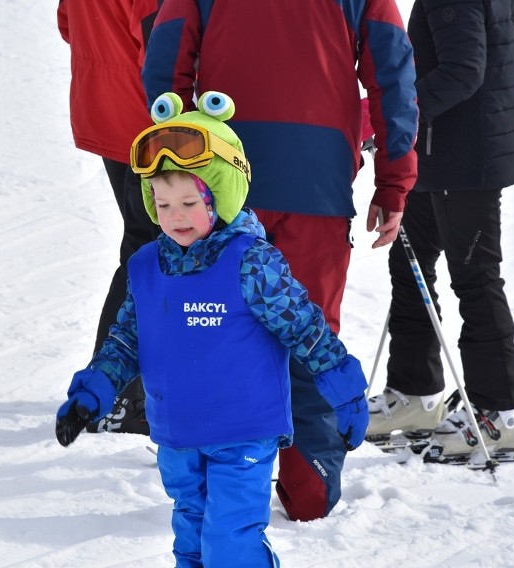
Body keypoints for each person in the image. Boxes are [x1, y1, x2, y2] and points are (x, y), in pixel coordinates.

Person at [55, 91, 369, 567]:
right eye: (161, 204)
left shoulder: (250, 263)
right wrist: (93, 392)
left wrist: (345, 393)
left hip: (244, 431)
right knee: (192, 539)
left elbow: (305, 329)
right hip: (178, 433)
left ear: (221, 194)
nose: (174, 216)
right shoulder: (145, 268)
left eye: (188, 201)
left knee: (230, 542)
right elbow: (125, 341)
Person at [142, 0, 418, 521]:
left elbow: (166, 63)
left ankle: (209, 489)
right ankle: (309, 490)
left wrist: (174, 169)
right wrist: (394, 179)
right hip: (316, 178)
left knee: (213, 329)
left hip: (221, 183)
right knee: (309, 330)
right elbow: (392, 75)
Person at [366, 0, 514, 459]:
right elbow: (507, 50)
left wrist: (396, 113)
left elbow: (464, 71)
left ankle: (501, 411)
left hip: (465, 157)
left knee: (475, 279)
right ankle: (416, 394)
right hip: (438, 153)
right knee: (409, 266)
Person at [57, 0, 161, 434]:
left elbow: (68, 24)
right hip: (147, 122)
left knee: (143, 241)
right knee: (148, 249)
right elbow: (165, 50)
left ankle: (120, 386)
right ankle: (116, 391)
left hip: (106, 110)